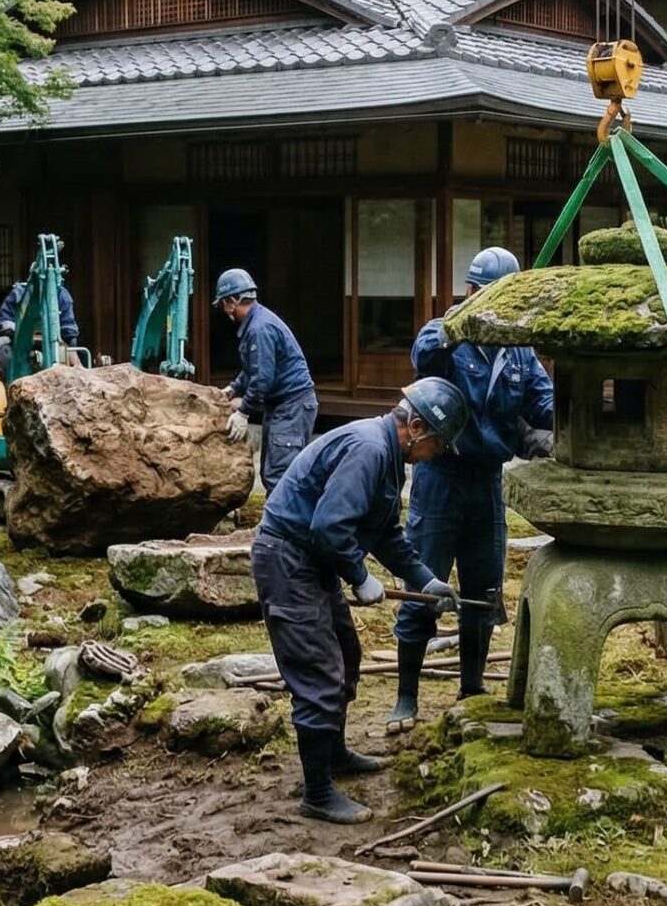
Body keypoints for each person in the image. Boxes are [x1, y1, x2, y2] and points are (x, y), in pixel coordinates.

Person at [251, 379, 464, 823]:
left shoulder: (388, 457)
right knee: (318, 670)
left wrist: (425, 581)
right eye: (440, 445)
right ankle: (317, 792)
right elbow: (329, 528)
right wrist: (360, 576)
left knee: (346, 654)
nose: (438, 455)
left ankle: (335, 753)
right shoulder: (369, 449)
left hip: (313, 560)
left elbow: (386, 534)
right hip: (288, 558)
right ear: (418, 427)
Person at [387, 247, 554, 734]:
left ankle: (472, 686)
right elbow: (424, 356)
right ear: (474, 291)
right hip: (440, 477)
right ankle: (405, 696)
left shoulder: (519, 350)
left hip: (486, 480)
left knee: (484, 588)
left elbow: (543, 404)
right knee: (424, 583)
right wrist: (464, 320)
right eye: (493, 294)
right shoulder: (448, 334)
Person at [216, 268, 318, 492]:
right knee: (271, 470)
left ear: (233, 301)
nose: (225, 310)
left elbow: (262, 379)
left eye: (224, 303)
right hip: (283, 405)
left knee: (280, 474)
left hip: (292, 405)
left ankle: (286, 526)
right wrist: (232, 389)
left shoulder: (259, 328)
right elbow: (253, 369)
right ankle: (280, 524)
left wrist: (243, 412)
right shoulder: (256, 323)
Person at [0, 279, 77, 377]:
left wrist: (70, 348)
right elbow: (4, 320)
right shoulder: (19, 292)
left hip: (53, 343)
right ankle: (10, 381)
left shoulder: (62, 295)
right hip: (19, 341)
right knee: (0, 343)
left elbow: (69, 329)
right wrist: (16, 330)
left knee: (70, 352)